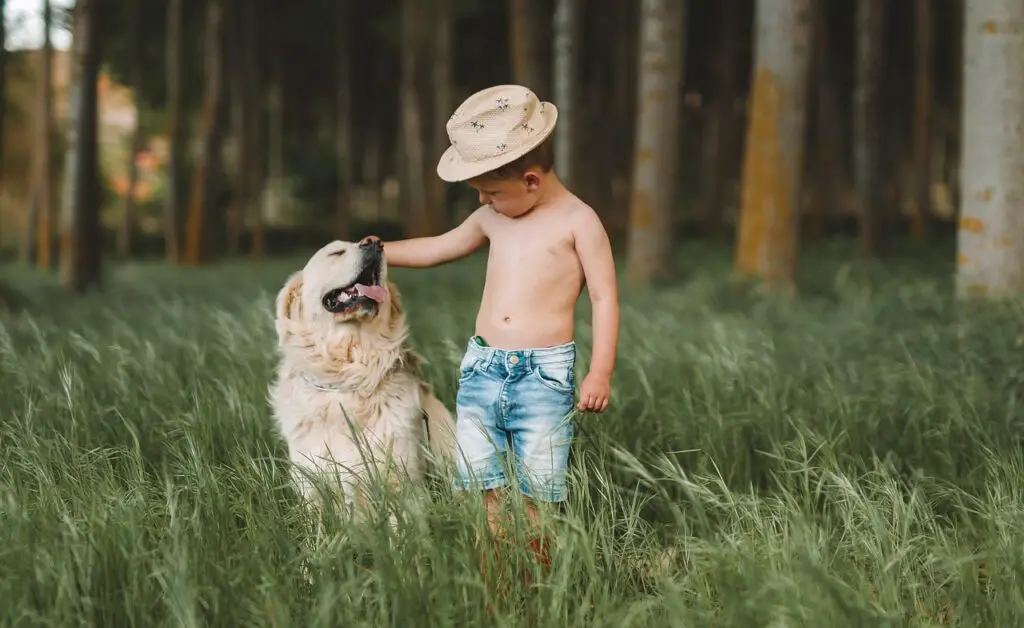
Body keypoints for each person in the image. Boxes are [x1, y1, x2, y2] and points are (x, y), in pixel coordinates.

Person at [366, 84, 619, 568]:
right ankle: (495, 578)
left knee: (538, 490)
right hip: (483, 370)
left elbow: (605, 298)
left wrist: (600, 371)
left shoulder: (578, 222)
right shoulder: (494, 217)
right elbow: (439, 247)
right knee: (483, 485)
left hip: (542, 377)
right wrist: (380, 252)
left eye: (491, 192)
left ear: (530, 180)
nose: (483, 200)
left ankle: (538, 583)